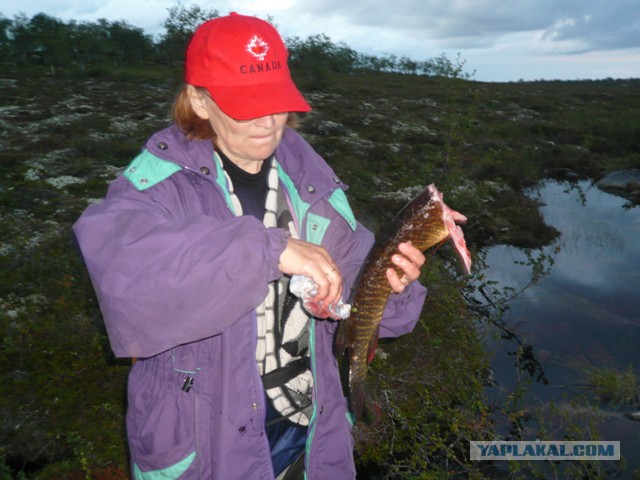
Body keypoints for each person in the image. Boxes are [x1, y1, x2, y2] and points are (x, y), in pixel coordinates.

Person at [73, 12, 427, 480]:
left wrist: (393, 288)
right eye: (247, 104)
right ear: (199, 101)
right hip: (206, 446)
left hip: (309, 434)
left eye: (277, 102)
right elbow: (126, 275)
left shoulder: (311, 183)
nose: (268, 121)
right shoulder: (156, 187)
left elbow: (370, 306)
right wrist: (266, 249)